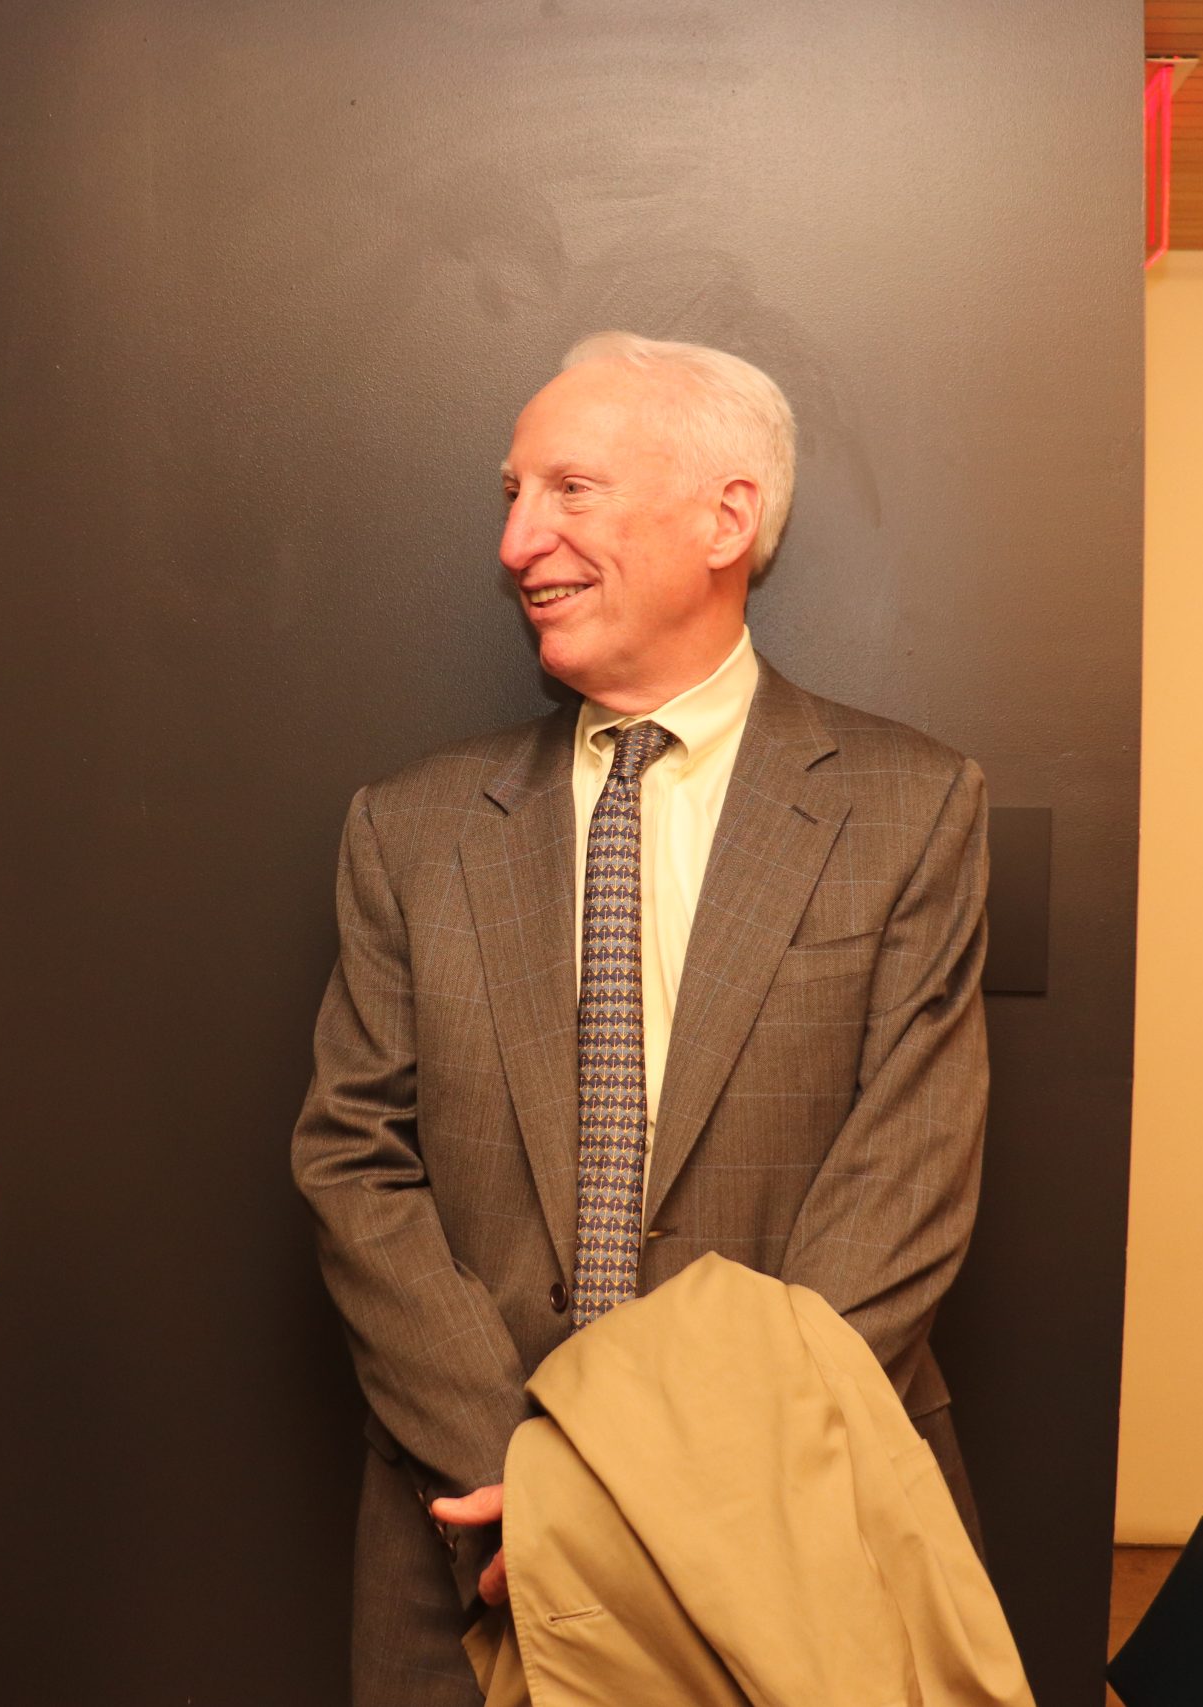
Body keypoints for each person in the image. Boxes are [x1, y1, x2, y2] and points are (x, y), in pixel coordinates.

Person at [292, 332, 991, 1706]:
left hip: (795, 1530)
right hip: (466, 1532)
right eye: (511, 495)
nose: (516, 541)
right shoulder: (410, 827)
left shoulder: (912, 809)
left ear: (725, 518)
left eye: (570, 488)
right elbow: (353, 1163)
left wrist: (647, 1499)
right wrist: (526, 1472)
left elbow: (903, 1188)